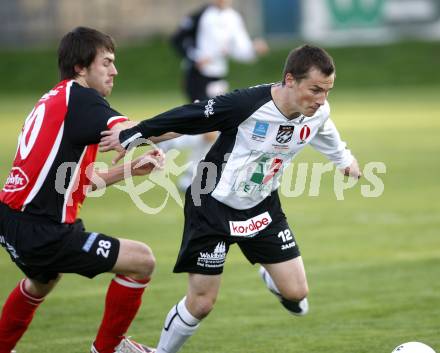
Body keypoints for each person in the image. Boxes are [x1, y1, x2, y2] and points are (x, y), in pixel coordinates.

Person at [99, 44, 362, 353]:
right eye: (315, 90)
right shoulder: (247, 104)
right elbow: (190, 116)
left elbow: (324, 129)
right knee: (202, 303)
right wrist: (136, 133)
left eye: (327, 92)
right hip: (211, 203)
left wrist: (344, 160)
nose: (321, 100)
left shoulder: (318, 111)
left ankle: (269, 274)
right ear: (290, 80)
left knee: (297, 292)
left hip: (262, 204)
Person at [0, 26, 172, 353]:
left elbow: (82, 182)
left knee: (41, 282)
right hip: (43, 229)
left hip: (12, 220)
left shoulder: (56, 98)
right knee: (142, 261)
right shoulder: (82, 100)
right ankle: (106, 349)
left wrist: (131, 169)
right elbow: (132, 130)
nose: (114, 71)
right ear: (81, 67)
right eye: (106, 63)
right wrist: (207, 120)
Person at [160, 0, 269, 192]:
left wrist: (253, 49)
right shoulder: (201, 15)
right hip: (197, 78)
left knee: (214, 131)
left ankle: (189, 177)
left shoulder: (233, 17)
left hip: (218, 79)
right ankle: (169, 143)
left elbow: (240, 49)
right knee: (210, 130)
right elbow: (177, 39)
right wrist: (195, 56)